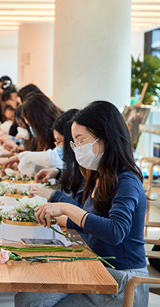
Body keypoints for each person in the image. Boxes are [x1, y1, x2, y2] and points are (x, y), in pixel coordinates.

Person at [16, 101, 149, 306]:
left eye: (80, 140)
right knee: (28, 297)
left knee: (35, 302)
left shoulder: (127, 181)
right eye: (74, 143)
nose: (77, 148)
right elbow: (93, 220)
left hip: (122, 280)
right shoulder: (99, 176)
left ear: (105, 137)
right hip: (97, 267)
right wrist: (62, 219)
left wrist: (68, 209)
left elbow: (115, 232)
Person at [33, 109, 84, 206]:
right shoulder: (78, 167)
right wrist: (58, 173)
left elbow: (83, 212)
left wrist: (54, 195)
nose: (57, 146)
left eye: (59, 142)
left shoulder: (90, 169)